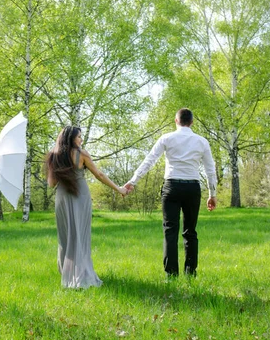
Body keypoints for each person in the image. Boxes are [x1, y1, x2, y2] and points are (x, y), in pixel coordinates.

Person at [124, 108, 217, 278]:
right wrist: (212, 194)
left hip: (171, 187)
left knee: (170, 230)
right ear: (192, 122)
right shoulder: (202, 141)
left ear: (176, 120)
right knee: (190, 231)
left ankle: (171, 275)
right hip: (192, 188)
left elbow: (149, 160)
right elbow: (210, 170)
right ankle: (190, 273)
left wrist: (133, 181)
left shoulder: (167, 138)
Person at [46, 126, 128, 289]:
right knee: (80, 236)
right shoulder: (81, 154)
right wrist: (119, 189)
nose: (81, 140)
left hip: (62, 198)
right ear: (71, 139)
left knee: (65, 237)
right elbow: (99, 175)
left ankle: (67, 274)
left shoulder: (53, 156)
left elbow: (51, 184)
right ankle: (80, 275)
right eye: (79, 137)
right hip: (80, 196)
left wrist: (61, 173)